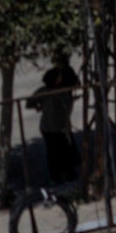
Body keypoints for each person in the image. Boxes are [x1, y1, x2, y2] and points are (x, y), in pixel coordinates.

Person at [36, 57, 82, 189]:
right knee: (62, 149)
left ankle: (60, 175)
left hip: (51, 125)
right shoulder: (57, 89)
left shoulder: (48, 89)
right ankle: (67, 173)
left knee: (56, 151)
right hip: (58, 124)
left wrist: (40, 105)